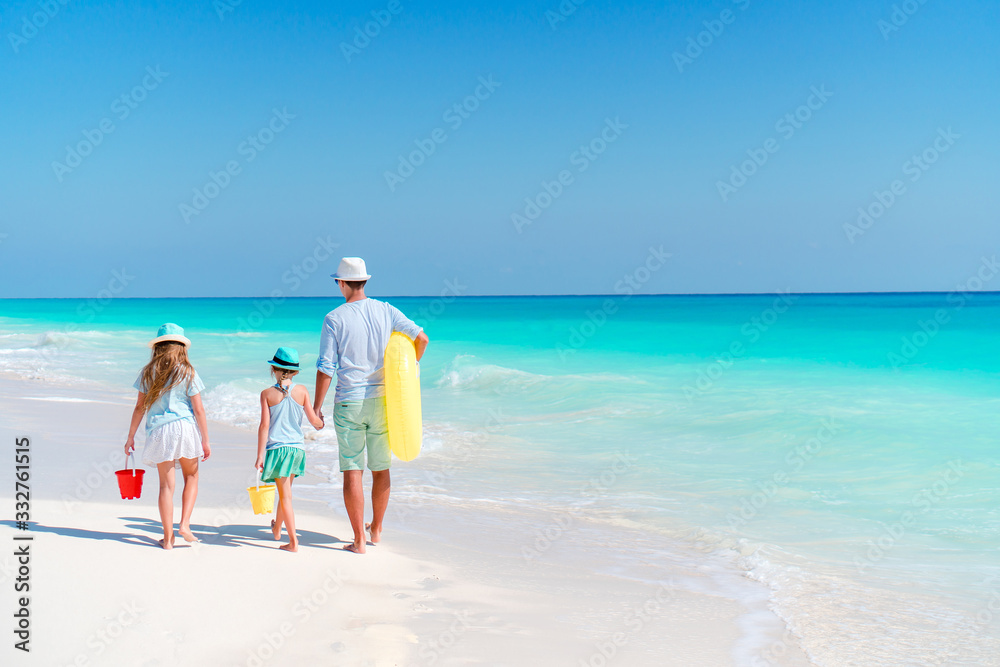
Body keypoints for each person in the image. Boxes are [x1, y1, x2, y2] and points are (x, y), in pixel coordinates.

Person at [314, 257, 429, 554]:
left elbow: (326, 367)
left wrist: (316, 407)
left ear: (341, 283)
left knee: (353, 470)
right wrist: (410, 369)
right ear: (365, 281)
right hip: (383, 403)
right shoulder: (386, 310)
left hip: (349, 402)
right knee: (381, 468)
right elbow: (422, 338)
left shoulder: (334, 318)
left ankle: (359, 541)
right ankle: (376, 529)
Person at [124, 323, 210, 550]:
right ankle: (185, 525)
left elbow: (139, 408)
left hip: (160, 431)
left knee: (165, 486)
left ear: (158, 348)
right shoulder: (187, 371)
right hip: (185, 428)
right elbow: (199, 409)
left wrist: (130, 437)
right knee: (191, 477)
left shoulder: (147, 372)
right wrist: (206, 439)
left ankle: (168, 539)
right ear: (182, 347)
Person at [255, 347, 324, 552]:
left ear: (273, 369)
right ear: (294, 372)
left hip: (278, 450)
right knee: (285, 491)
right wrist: (321, 424)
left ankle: (293, 541)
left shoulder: (267, 394)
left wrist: (260, 456)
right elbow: (313, 421)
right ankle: (277, 530)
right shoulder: (302, 391)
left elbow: (264, 427)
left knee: (285, 495)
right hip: (297, 450)